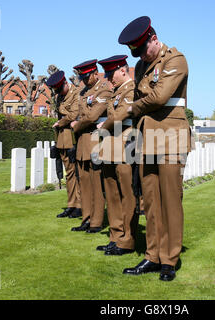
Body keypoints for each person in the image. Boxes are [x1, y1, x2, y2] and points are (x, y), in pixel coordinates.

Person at [118, 16, 192, 281]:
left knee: (170, 199)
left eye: (142, 50)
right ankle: (152, 255)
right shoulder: (141, 67)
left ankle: (169, 260)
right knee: (150, 200)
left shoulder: (175, 60)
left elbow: (159, 97)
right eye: (136, 53)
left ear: (153, 39)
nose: (141, 56)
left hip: (171, 137)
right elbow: (145, 100)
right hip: (147, 139)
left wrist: (132, 108)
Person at [95, 55, 139, 256]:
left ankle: (127, 239)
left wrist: (103, 125)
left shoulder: (131, 89)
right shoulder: (117, 91)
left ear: (123, 70)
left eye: (111, 74)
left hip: (124, 145)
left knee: (127, 195)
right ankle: (115, 236)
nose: (109, 78)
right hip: (111, 146)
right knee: (111, 195)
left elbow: (122, 115)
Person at [70, 60, 112, 233]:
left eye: (87, 77)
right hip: (82, 143)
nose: (85, 81)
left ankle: (96, 221)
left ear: (95, 73)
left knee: (96, 185)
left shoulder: (104, 88)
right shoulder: (83, 92)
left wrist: (77, 125)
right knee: (85, 186)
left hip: (95, 141)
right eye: (82, 78)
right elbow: (83, 114)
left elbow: (92, 116)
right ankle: (86, 218)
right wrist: (81, 121)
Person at [46, 71, 82, 219]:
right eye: (56, 90)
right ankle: (71, 205)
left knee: (76, 174)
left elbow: (73, 114)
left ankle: (80, 205)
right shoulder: (59, 96)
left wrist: (60, 121)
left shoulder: (76, 93)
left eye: (60, 89)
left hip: (72, 138)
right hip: (62, 139)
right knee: (69, 175)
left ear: (65, 83)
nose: (58, 93)